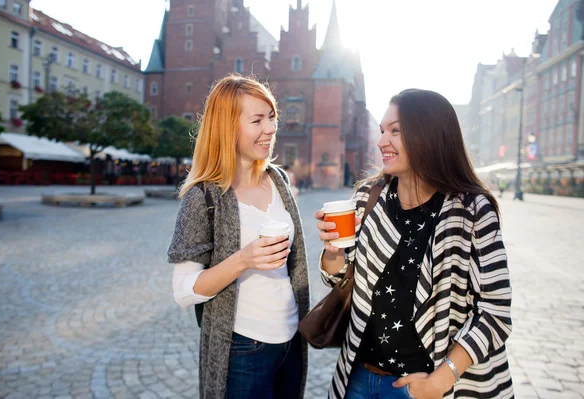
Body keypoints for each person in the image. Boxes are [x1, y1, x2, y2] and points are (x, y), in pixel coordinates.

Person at [315, 89, 513, 399]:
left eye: (396, 131)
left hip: (428, 386)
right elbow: (339, 279)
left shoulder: (471, 210)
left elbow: (495, 311)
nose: (382, 141)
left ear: (429, 135)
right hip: (359, 377)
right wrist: (332, 252)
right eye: (382, 131)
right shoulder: (370, 197)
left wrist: (441, 380)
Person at [167, 75, 310, 399]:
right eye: (257, 120)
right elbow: (183, 291)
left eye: (272, 117)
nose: (271, 128)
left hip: (290, 341)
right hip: (243, 347)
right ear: (227, 127)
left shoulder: (279, 180)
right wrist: (243, 259)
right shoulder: (203, 195)